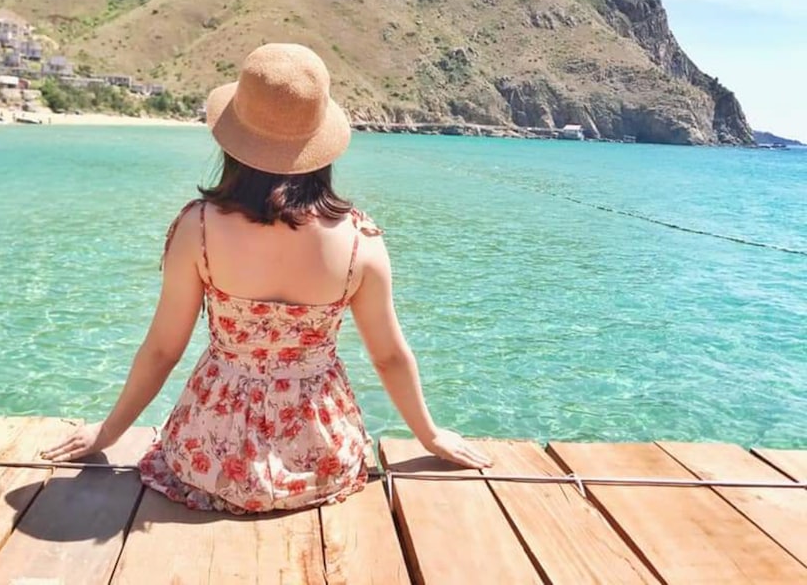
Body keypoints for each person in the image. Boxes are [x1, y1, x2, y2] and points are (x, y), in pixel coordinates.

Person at [42, 43, 491, 512]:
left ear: (233, 141)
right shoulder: (362, 241)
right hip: (320, 460)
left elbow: (162, 350)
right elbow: (389, 357)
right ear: (320, 146)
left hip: (210, 457)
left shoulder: (197, 228)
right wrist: (432, 435)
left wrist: (107, 431)